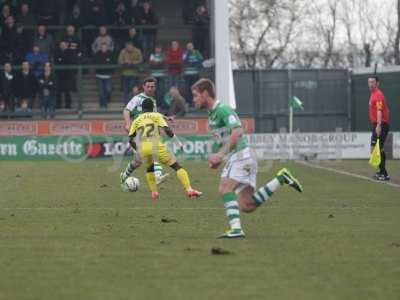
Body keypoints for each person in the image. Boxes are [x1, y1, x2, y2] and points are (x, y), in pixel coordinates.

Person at [191, 78, 303, 238]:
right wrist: (218, 158)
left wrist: (221, 154)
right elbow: (222, 140)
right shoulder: (212, 115)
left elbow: (237, 131)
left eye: (195, 95)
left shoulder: (223, 110)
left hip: (242, 156)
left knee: (224, 189)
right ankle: (281, 179)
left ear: (205, 94)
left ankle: (236, 229)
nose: (193, 99)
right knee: (247, 205)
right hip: (238, 157)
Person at [128, 97, 202, 200]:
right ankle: (189, 190)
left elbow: (130, 139)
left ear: (142, 109)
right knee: (177, 166)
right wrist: (178, 143)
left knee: (150, 169)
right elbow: (167, 130)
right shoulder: (156, 115)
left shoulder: (136, 120)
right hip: (156, 145)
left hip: (144, 148)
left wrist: (138, 150)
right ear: (153, 108)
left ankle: (154, 193)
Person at [121, 77, 169, 185]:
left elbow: (154, 115)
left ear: (155, 87)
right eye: (148, 87)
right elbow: (126, 110)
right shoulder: (137, 98)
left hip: (149, 131)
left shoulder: (153, 101)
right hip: (138, 130)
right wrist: (128, 123)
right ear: (143, 87)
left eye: (152, 87)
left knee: (137, 161)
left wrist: (165, 119)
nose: (150, 89)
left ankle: (124, 176)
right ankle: (157, 177)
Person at [368, 75, 390, 181]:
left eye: (373, 82)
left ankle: (383, 174)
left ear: (377, 83)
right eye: (369, 82)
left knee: (378, 148)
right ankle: (382, 171)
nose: (370, 84)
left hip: (381, 125)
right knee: (374, 149)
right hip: (376, 124)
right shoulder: (373, 94)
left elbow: (379, 111)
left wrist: (379, 125)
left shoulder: (378, 95)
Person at [93, 43, 114, 108]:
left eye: (105, 47)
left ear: (107, 47)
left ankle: (106, 101)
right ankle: (103, 104)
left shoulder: (110, 54)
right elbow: (96, 63)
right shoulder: (97, 54)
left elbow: (112, 63)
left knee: (108, 90)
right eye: (102, 47)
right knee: (101, 91)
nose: (103, 48)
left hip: (108, 76)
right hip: (99, 75)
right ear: (100, 47)